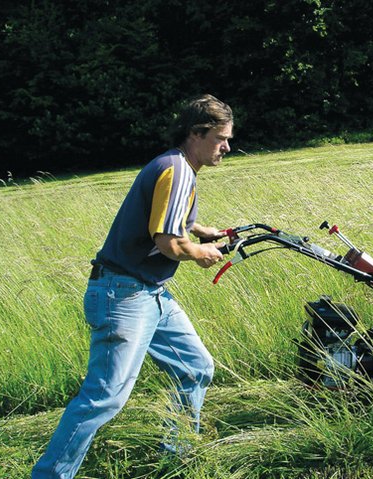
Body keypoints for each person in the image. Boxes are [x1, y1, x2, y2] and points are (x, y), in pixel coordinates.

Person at [32, 94, 234, 479]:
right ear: (197, 133)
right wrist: (200, 251)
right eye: (220, 138)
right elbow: (168, 243)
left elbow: (167, 219)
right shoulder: (176, 171)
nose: (226, 147)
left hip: (149, 292)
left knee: (195, 368)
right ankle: (49, 475)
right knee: (104, 397)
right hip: (123, 295)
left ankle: (177, 457)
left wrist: (199, 228)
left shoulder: (178, 167)